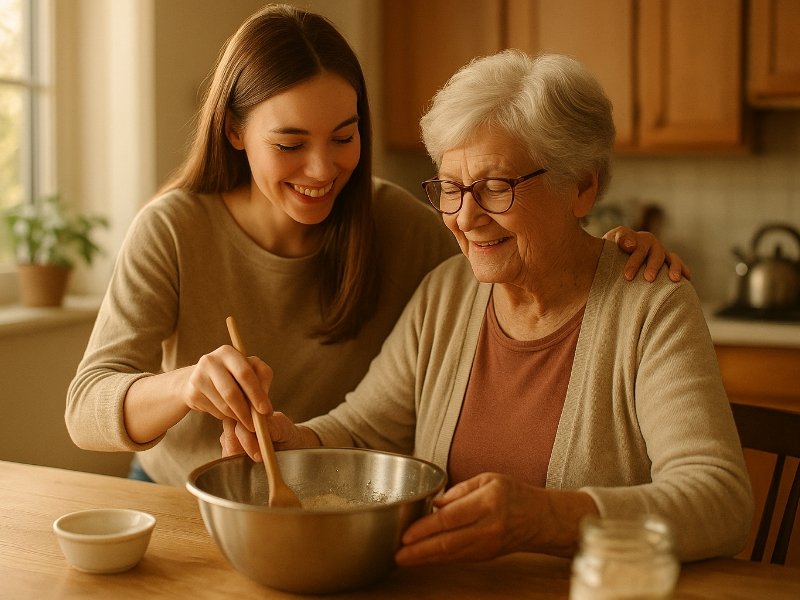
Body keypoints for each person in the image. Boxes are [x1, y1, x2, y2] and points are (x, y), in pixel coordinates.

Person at [65, 5, 685, 487]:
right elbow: (86, 409)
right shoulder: (172, 228)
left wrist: (601, 251)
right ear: (233, 130)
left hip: (326, 493)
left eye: (344, 135)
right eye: (289, 144)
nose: (321, 168)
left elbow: (517, 261)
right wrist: (184, 387)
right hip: (181, 491)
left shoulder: (397, 223)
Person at [221, 50, 753, 565]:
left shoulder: (651, 305)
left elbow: (719, 500)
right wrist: (298, 443)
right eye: (449, 188)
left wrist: (548, 517)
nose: (465, 217)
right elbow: (365, 430)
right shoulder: (447, 293)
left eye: (495, 187)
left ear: (582, 186)